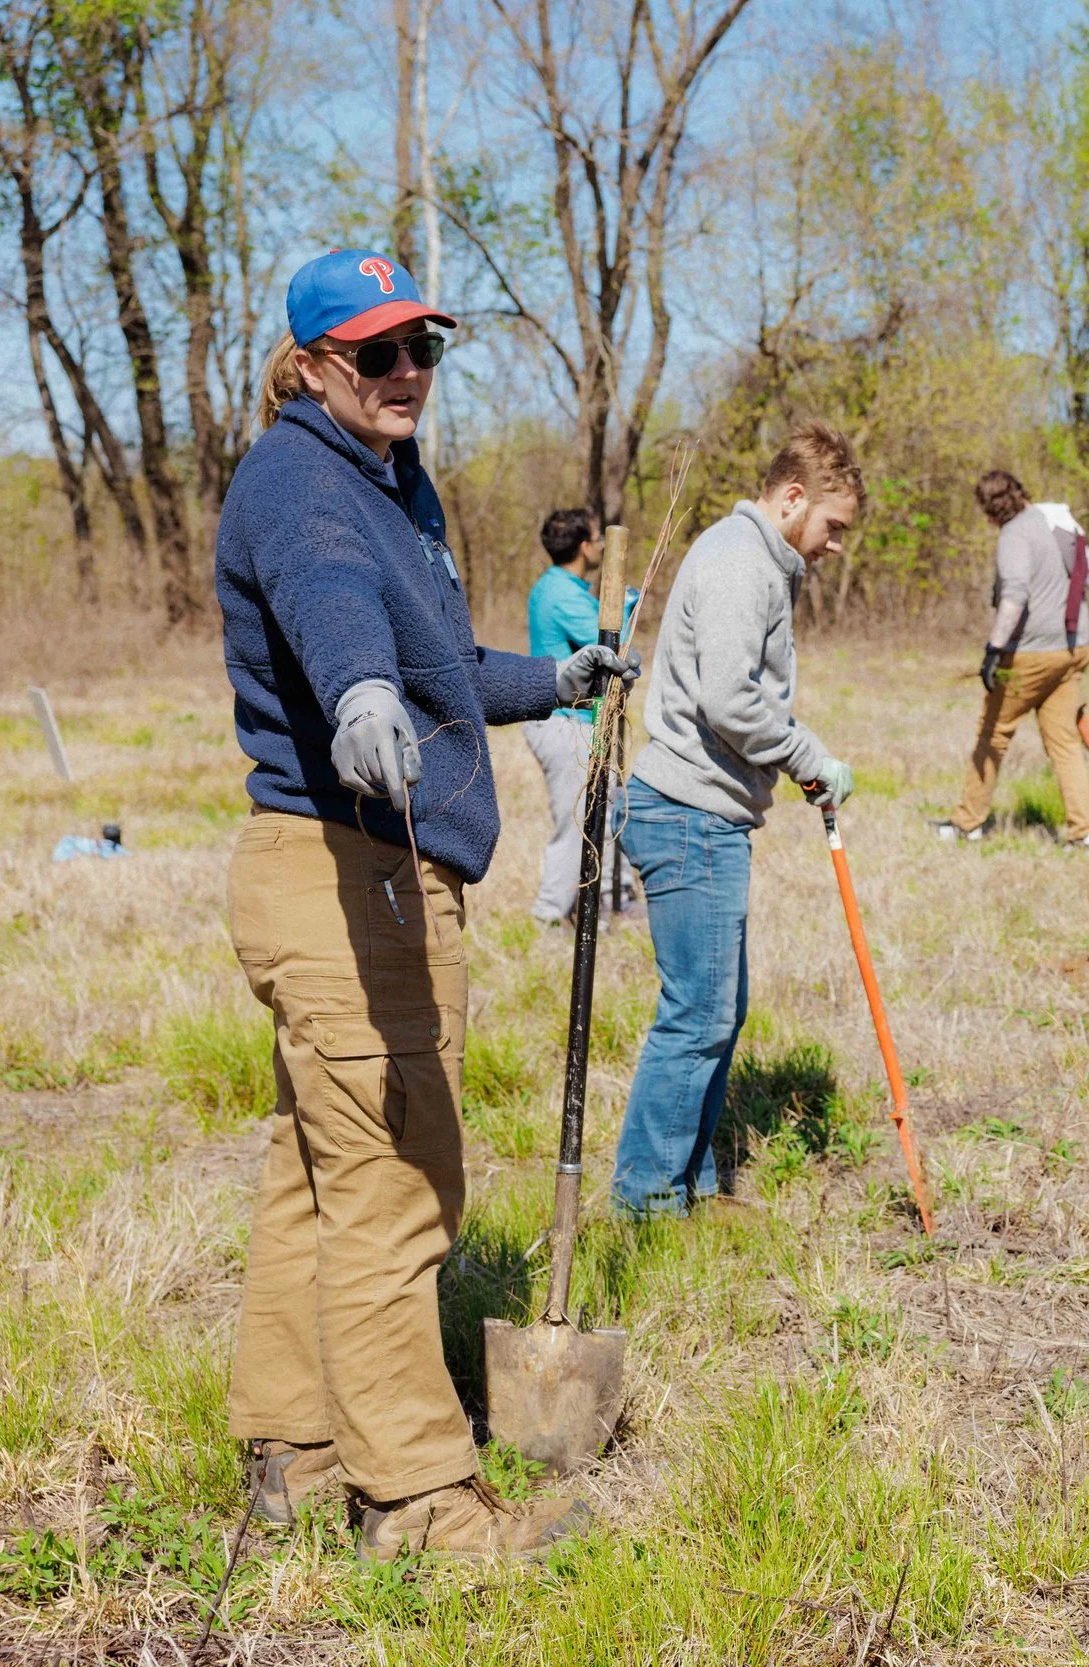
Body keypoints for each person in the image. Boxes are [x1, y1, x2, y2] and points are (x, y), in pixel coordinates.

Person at [215, 248, 631, 1558]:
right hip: (351, 878)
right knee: (403, 1186)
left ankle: (290, 1444)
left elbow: (435, 661)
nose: (408, 375)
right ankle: (417, 1500)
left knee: (317, 1176)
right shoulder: (301, 482)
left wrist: (556, 679)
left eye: (424, 350)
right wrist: (357, 695)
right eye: (377, 352)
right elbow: (331, 604)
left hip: (342, 874)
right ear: (312, 362)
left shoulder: (394, 484)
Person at [611, 422, 862, 1218]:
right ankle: (646, 1203)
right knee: (698, 1012)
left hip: (708, 814)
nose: (835, 547)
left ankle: (695, 1182)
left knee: (719, 1007)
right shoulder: (736, 562)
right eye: (833, 527)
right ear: (794, 499)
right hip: (686, 812)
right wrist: (806, 754)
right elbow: (728, 698)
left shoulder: (761, 561)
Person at [935, 470, 1089, 853]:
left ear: (991, 509)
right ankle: (1084, 834)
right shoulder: (1060, 522)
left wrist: (994, 649)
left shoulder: (1016, 534)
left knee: (993, 733)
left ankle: (968, 823)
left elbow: (1015, 594)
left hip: (1032, 653)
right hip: (1073, 648)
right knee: (1065, 744)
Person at [523, 507, 638, 925]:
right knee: (575, 822)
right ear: (586, 546)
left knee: (598, 813)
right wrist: (626, 604)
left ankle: (605, 901)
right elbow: (611, 644)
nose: (603, 547)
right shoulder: (563, 593)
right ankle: (549, 916)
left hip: (569, 720)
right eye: (599, 539)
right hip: (565, 722)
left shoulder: (555, 586)